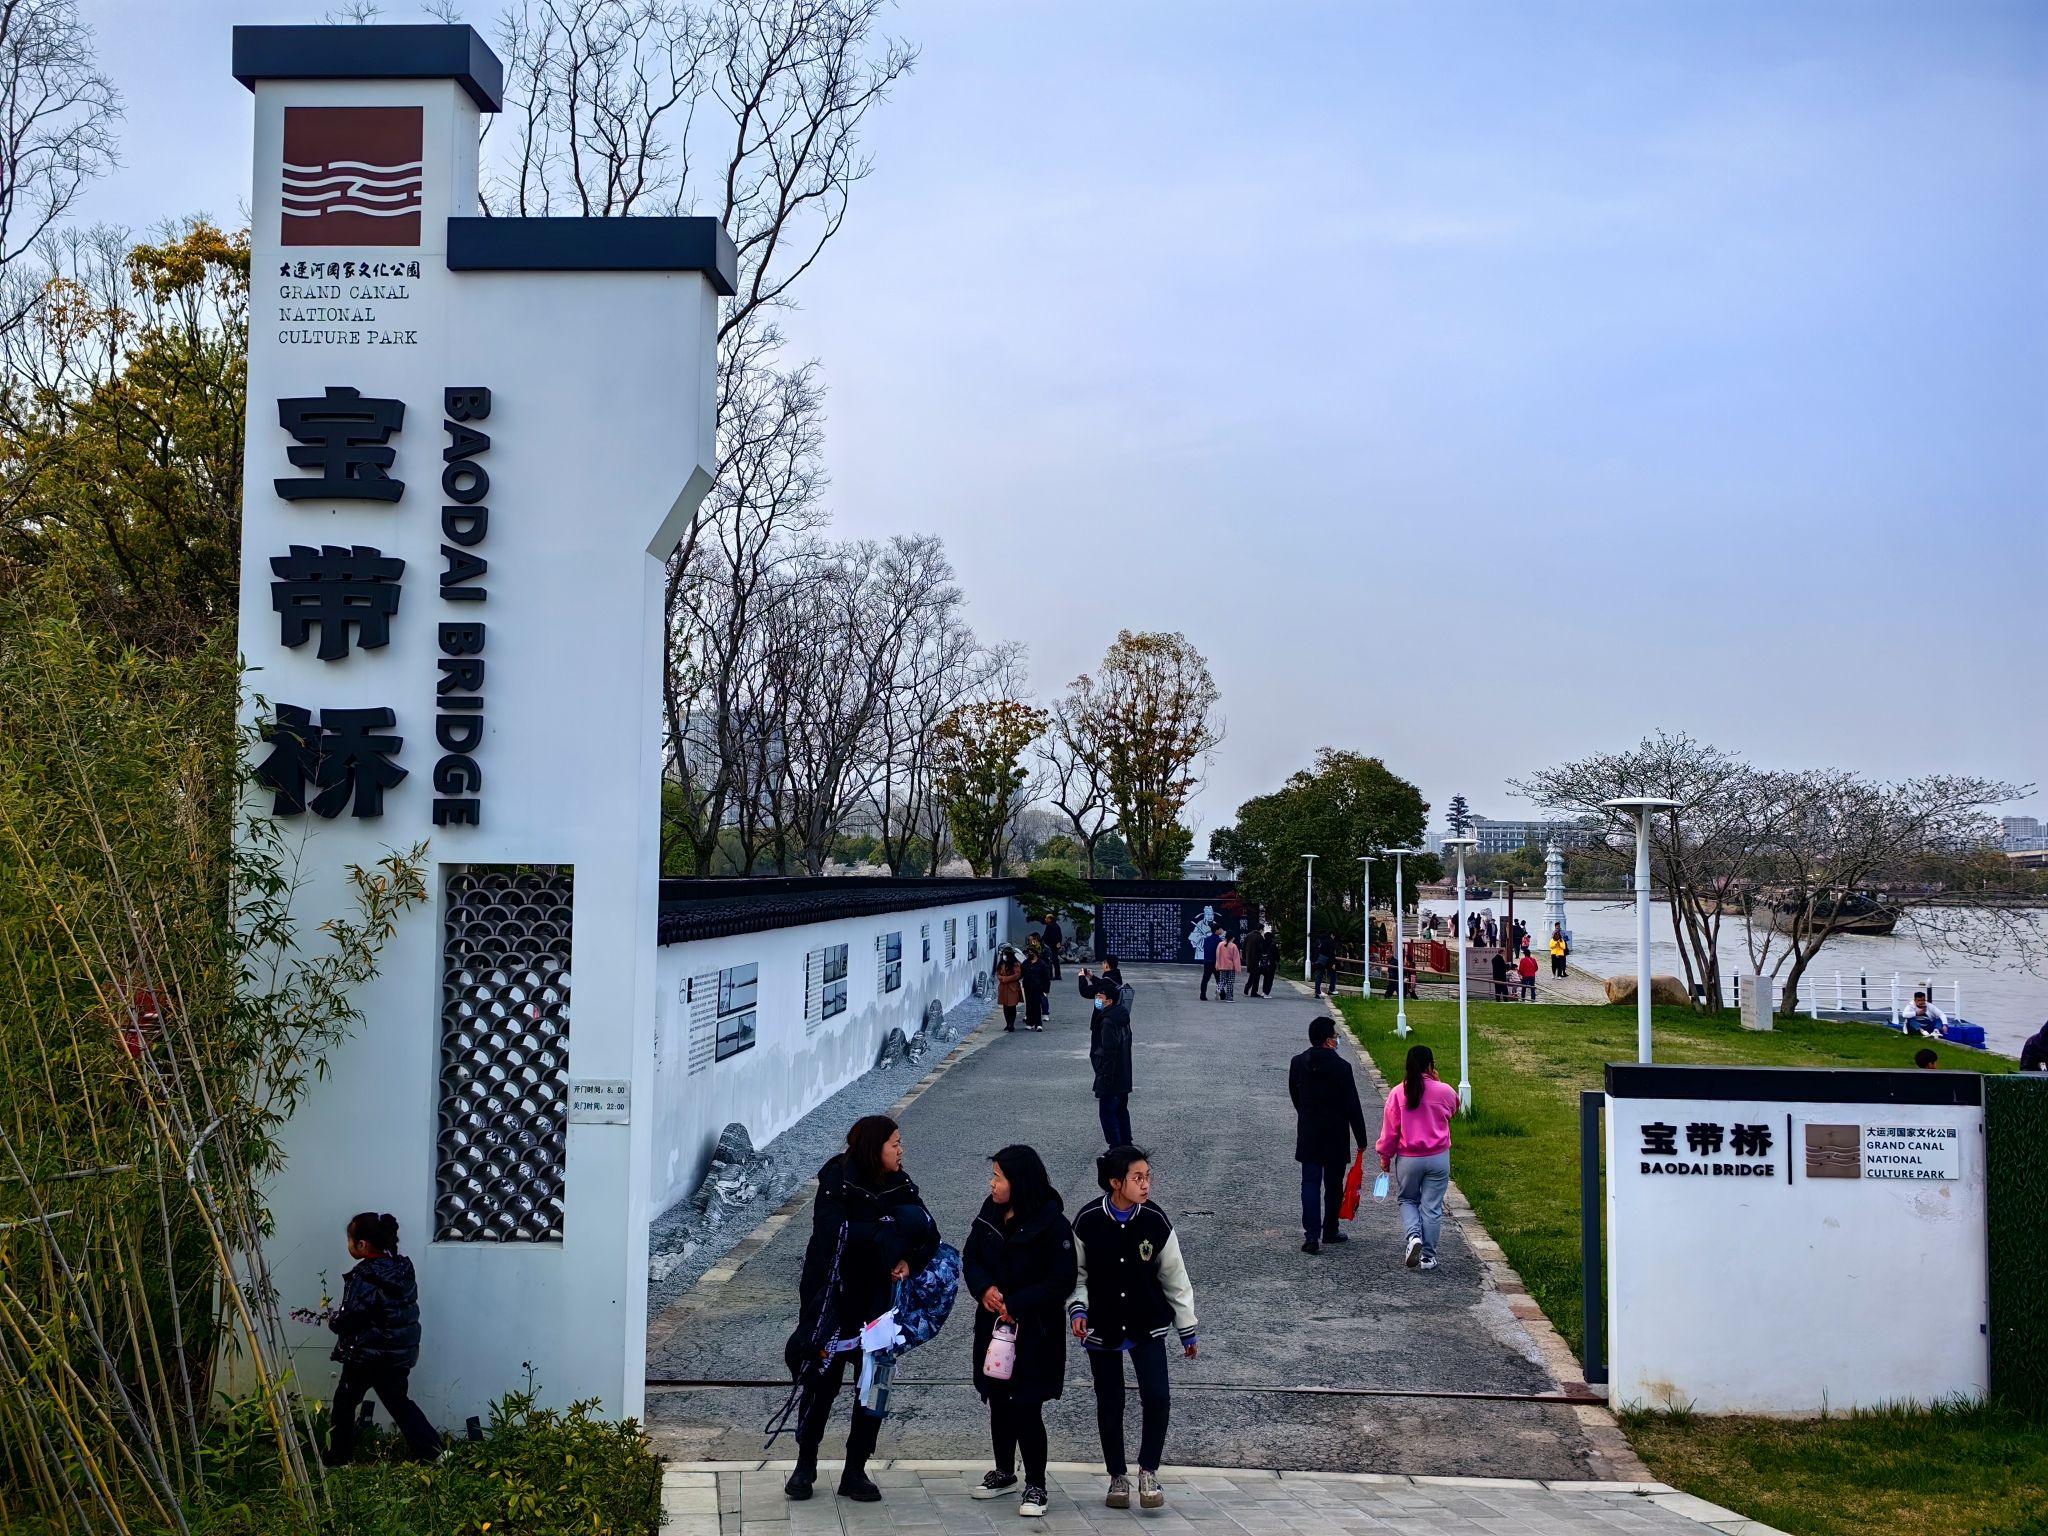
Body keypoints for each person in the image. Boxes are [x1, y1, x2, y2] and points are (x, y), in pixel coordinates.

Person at [785, 1116, 938, 1503]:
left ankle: (855, 1469)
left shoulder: (900, 1182)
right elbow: (832, 1231)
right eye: (895, 1144)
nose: (901, 1150)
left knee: (875, 1387)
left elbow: (928, 1231)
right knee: (820, 1382)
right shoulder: (838, 1178)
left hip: (879, 1305)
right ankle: (805, 1463)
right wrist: (887, 1229)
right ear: (874, 1148)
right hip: (833, 1300)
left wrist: (909, 1260)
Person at [1069, 1145, 1198, 1513]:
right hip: (1102, 1325)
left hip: (1147, 1323)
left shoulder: (1155, 1220)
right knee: (1110, 1401)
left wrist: (1187, 1327)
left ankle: (1148, 1470)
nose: (1145, 1185)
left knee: (1157, 1397)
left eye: (1148, 1177)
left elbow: (1174, 1276)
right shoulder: (1088, 1220)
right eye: (1137, 1178)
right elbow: (1076, 1273)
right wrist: (1078, 1308)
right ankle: (1116, 1475)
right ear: (1115, 1182)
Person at [966, 1145, 1078, 1519]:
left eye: (998, 1177)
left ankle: (1036, 1484)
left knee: (1027, 1406)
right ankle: (1004, 1472)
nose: (992, 1184)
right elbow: (971, 1257)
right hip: (994, 1328)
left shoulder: (1053, 1224)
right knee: (998, 1400)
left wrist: (1016, 1303)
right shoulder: (989, 1213)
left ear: (1020, 1181)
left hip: (1035, 1333)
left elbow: (1061, 1281)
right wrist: (984, 1289)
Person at [323, 1212, 443, 1465]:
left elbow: (354, 1314)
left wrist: (334, 1320)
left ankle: (338, 1458)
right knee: (399, 1403)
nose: (348, 1245)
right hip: (396, 1354)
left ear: (362, 1244)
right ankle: (434, 1452)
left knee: (344, 1402)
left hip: (368, 1354)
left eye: (349, 1240)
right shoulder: (400, 1270)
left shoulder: (365, 1276)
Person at [1289, 1018, 1372, 1254]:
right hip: (1336, 1132)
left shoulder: (1298, 1063)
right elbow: (1352, 1105)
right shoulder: (1342, 1068)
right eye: (1336, 1036)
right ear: (1328, 1041)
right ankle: (1330, 1229)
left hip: (1309, 1131)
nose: (1337, 1040)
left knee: (1309, 1183)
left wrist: (1305, 1114)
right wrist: (1361, 1138)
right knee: (1333, 1184)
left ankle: (1311, 1235)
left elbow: (1295, 1094)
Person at [1376, 1044, 1459, 1271]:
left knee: (1408, 1200)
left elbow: (1390, 1132)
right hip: (1438, 1157)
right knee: (1431, 1206)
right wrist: (1438, 1082)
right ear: (1431, 1065)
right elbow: (1453, 1109)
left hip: (1409, 1159)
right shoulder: (1444, 1091)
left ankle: (1414, 1237)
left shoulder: (1397, 1093)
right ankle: (1428, 1257)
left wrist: (1385, 1157)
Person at [1089, 979, 1134, 1146]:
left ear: (1109, 1001)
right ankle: (1126, 1143)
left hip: (1111, 1075)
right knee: (1121, 1110)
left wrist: (1105, 1074)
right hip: (1124, 1073)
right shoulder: (1122, 1017)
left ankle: (1115, 1147)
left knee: (1108, 1113)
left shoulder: (1108, 1021)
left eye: (1100, 997)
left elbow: (1109, 1050)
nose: (1097, 1000)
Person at [1021, 939, 1051, 1032]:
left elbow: (1046, 978)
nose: (1029, 954)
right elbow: (1021, 973)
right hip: (1027, 987)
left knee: (1037, 1005)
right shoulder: (1025, 963)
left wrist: (1046, 990)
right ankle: (1029, 1022)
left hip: (1038, 988)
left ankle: (1038, 1024)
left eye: (1031, 952)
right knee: (1029, 1005)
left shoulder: (1041, 964)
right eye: (1028, 952)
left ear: (1035, 953)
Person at [995, 946, 1025, 1032]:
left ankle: (1011, 1023)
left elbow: (1017, 975)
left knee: (1012, 1006)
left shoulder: (1016, 964)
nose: (1004, 956)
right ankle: (1008, 1023)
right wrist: (1001, 978)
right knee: (1005, 1006)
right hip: (1003, 988)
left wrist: (1005, 979)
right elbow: (998, 974)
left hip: (1012, 987)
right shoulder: (1001, 964)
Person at [1214, 931, 1241, 1001]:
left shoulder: (1220, 944)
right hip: (1231, 967)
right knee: (1230, 982)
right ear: (1232, 938)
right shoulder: (1233, 946)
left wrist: (1217, 965)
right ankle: (1229, 997)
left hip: (1222, 966)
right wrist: (1238, 968)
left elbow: (1217, 956)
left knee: (1222, 980)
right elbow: (1236, 958)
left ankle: (1218, 989)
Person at [1199, 924, 1222, 1001]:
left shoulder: (1206, 939)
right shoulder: (1219, 941)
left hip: (1207, 961)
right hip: (1216, 962)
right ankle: (1222, 994)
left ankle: (1202, 995)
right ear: (1216, 930)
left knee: (1205, 979)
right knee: (1219, 979)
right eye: (1220, 929)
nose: (1221, 930)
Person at [1312, 930, 1338, 998]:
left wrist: (1313, 960)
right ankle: (1331, 989)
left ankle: (1317, 992)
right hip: (1327, 960)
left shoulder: (1319, 940)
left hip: (1318, 960)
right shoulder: (1331, 941)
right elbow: (1332, 954)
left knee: (1318, 976)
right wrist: (1333, 963)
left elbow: (1314, 950)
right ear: (1332, 935)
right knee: (1333, 974)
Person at [1254, 927, 1279, 997]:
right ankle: (1266, 993)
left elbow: (1258, 953)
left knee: (1264, 978)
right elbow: (1277, 956)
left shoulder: (1261, 944)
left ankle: (1263, 992)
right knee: (1269, 979)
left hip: (1262, 964)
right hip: (1271, 964)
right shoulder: (1273, 945)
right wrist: (1277, 962)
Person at [1042, 914, 1065, 982]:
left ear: (1050, 919)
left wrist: (1043, 941)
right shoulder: (1057, 926)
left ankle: (1050, 975)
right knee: (1055, 961)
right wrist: (1059, 943)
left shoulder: (1049, 926)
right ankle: (1058, 975)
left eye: (1046, 918)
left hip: (1049, 945)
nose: (1045, 919)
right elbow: (1060, 935)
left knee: (1049, 960)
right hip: (1055, 946)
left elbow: (1046, 936)